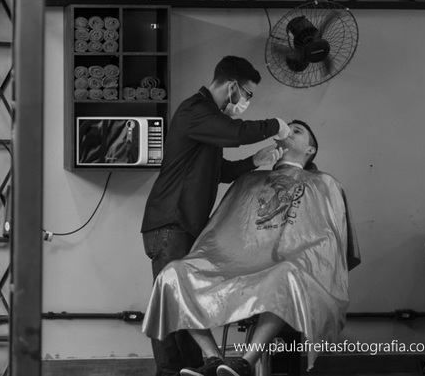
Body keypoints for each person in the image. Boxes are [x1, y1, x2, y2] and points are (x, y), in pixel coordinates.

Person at [143, 121, 360, 376]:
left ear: (310, 150)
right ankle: (214, 360)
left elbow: (328, 239)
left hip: (288, 265)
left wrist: (298, 254)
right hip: (233, 263)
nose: (289, 132)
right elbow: (217, 233)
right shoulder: (247, 180)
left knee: (286, 273)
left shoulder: (325, 184)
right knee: (172, 274)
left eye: (297, 131)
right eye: (286, 129)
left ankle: (245, 362)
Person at [140, 56, 291, 376]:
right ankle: (170, 371)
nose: (246, 102)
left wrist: (255, 160)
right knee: (172, 303)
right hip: (170, 221)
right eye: (247, 95)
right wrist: (274, 125)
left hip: (185, 225)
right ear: (233, 86)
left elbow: (217, 170)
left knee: (187, 301)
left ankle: (197, 368)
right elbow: (234, 132)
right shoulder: (196, 110)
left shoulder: (207, 121)